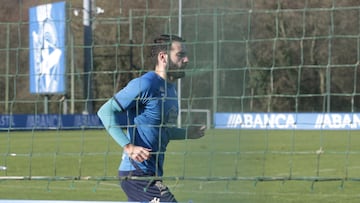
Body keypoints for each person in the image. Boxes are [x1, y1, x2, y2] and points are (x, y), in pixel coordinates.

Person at [97, 34, 206, 202]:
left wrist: (187, 133)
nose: (186, 60)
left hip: (151, 173)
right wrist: (129, 147)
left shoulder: (171, 90)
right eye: (180, 55)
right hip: (136, 174)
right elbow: (105, 112)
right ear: (163, 57)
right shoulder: (145, 84)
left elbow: (163, 131)